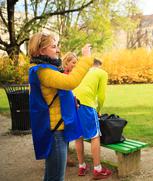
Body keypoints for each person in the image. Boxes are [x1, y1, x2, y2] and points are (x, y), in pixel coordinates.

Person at [28, 32, 93, 181]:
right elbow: (71, 82)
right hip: (56, 132)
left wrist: (71, 102)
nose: (58, 50)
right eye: (53, 46)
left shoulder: (45, 69)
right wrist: (86, 58)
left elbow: (54, 94)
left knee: (51, 176)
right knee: (56, 177)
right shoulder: (43, 71)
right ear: (41, 50)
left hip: (56, 128)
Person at [73, 58, 112, 180]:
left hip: (73, 103)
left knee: (78, 135)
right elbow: (101, 96)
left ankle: (82, 166)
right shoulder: (102, 73)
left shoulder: (82, 70)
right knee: (95, 135)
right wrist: (98, 109)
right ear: (99, 65)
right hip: (87, 105)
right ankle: (97, 169)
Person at [61, 52, 79, 167]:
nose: (75, 65)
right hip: (64, 111)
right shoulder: (63, 76)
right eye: (73, 63)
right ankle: (64, 158)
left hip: (72, 107)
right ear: (66, 62)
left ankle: (65, 157)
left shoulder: (70, 75)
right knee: (64, 133)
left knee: (68, 132)